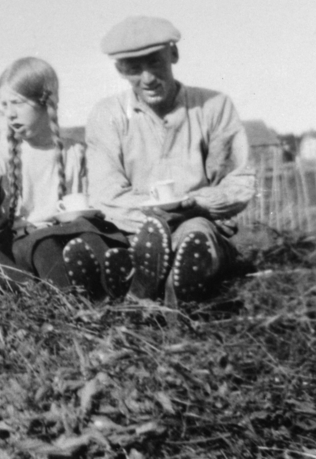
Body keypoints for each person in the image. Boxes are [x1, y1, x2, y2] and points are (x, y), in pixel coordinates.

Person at [86, 16, 255, 302]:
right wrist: (160, 220)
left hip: (198, 225)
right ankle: (147, 286)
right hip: (136, 232)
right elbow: (106, 194)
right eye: (134, 69)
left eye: (155, 63)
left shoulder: (213, 107)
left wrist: (197, 205)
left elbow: (239, 182)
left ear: (173, 54)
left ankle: (165, 290)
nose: (148, 78)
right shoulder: (108, 115)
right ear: (119, 70)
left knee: (195, 235)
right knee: (142, 245)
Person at [0, 58, 133, 300]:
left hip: (74, 234)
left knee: (93, 237)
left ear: (47, 102)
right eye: (5, 104)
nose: (10, 114)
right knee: (47, 247)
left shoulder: (77, 152)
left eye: (18, 103)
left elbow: (97, 202)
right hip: (25, 244)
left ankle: (124, 292)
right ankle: (72, 304)